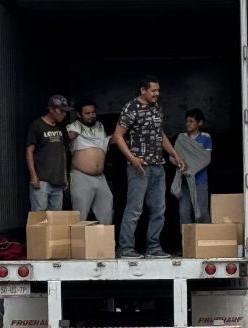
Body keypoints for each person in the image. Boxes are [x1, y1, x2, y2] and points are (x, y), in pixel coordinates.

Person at [113, 75, 185, 259]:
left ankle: (153, 247)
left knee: (159, 210)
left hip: (158, 166)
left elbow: (159, 134)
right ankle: (126, 248)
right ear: (143, 90)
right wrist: (132, 158)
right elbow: (118, 136)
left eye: (158, 91)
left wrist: (174, 154)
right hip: (139, 167)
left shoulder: (157, 109)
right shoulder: (131, 108)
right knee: (135, 209)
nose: (156, 94)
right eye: (153, 90)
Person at [66, 100, 113, 224]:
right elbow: (62, 142)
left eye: (93, 112)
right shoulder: (73, 127)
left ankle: (103, 241)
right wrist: (69, 137)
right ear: (79, 114)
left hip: (100, 177)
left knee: (107, 209)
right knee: (80, 214)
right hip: (81, 176)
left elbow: (106, 142)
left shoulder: (100, 127)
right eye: (87, 113)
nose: (91, 115)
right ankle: (79, 243)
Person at [25, 95, 71, 211]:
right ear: (51, 109)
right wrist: (33, 176)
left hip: (58, 180)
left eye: (65, 111)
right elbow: (29, 151)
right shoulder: (37, 125)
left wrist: (64, 176)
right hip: (42, 180)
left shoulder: (61, 128)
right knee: (40, 218)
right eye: (61, 110)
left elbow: (63, 152)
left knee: (56, 219)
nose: (64, 114)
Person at [171, 108, 213, 226]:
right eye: (187, 121)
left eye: (191, 121)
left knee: (202, 213)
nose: (188, 124)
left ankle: (203, 241)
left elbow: (205, 159)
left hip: (200, 181)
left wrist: (191, 169)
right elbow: (173, 157)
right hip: (184, 181)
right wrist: (180, 163)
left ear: (199, 123)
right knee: (184, 212)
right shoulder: (181, 138)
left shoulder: (206, 137)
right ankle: (187, 242)